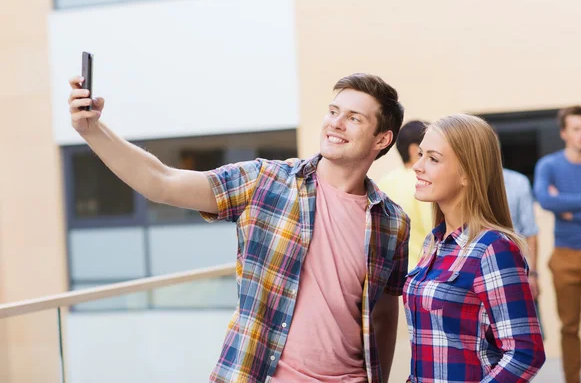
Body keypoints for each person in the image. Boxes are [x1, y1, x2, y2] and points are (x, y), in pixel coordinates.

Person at [67, 73, 410, 383]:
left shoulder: (392, 222)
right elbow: (162, 181)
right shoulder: (267, 181)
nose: (336, 123)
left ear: (381, 139)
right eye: (333, 111)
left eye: (353, 118)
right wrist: (92, 130)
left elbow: (382, 314)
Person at [403, 114, 545, 382]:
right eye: (421, 155)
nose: (418, 166)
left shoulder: (493, 249)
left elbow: (526, 354)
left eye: (432, 158)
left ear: (467, 173)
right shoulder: (433, 243)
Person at [533, 105, 581, 383]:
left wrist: (566, 205)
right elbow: (545, 200)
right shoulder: (549, 165)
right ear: (564, 133)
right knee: (568, 327)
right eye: (575, 129)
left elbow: (556, 202)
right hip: (564, 257)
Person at [379, 120, 432, 271]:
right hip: (422, 272)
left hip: (391, 276)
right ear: (415, 150)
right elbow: (434, 229)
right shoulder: (424, 181)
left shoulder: (383, 182)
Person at [502, 167, 543, 335]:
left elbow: (530, 231)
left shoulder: (518, 182)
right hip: (473, 269)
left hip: (513, 268)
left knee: (524, 335)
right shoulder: (462, 180)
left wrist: (532, 274)